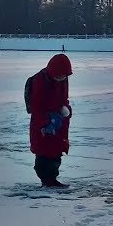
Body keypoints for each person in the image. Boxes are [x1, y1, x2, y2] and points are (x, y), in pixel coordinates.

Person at [28, 53, 73, 188]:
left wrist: (66, 110)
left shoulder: (63, 79)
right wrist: (44, 123)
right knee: (43, 151)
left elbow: (64, 99)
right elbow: (36, 106)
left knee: (56, 150)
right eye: (60, 75)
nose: (62, 78)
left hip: (58, 120)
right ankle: (46, 179)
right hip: (43, 121)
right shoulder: (40, 81)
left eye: (64, 76)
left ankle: (52, 178)